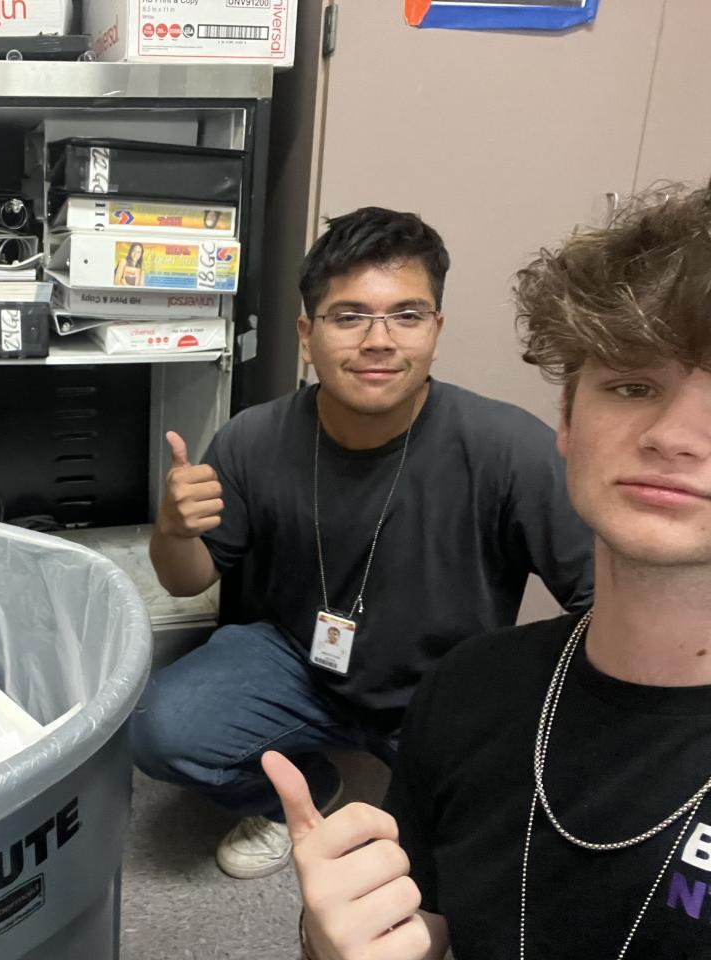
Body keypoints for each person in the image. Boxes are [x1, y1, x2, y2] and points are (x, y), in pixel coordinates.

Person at [267, 181, 711, 959]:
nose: (673, 435)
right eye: (633, 385)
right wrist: (332, 943)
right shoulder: (469, 691)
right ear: (567, 420)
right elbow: (426, 930)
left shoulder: (492, 447)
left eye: (405, 316)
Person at [133, 206, 595, 880]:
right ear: (306, 335)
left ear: (436, 330)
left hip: (444, 687)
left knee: (471, 864)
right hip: (296, 661)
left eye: (406, 315)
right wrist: (173, 530)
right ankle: (305, 790)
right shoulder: (253, 438)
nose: (379, 341)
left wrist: (522, 705)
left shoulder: (510, 449)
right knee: (158, 727)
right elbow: (185, 579)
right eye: (348, 316)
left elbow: (601, 602)